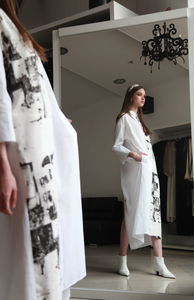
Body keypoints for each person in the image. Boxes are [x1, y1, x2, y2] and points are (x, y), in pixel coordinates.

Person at [0, 1, 86, 299]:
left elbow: (36, 93)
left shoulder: (12, 27)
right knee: (25, 258)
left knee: (46, 253)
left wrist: (57, 119)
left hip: (40, 156)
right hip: (20, 159)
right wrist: (3, 167)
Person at [112, 84, 175, 279]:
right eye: (139, 95)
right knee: (130, 214)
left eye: (144, 96)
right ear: (131, 97)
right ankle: (122, 261)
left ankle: (159, 263)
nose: (143, 98)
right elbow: (116, 146)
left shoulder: (140, 122)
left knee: (153, 214)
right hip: (134, 171)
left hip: (149, 171)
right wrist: (132, 154)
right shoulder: (124, 119)